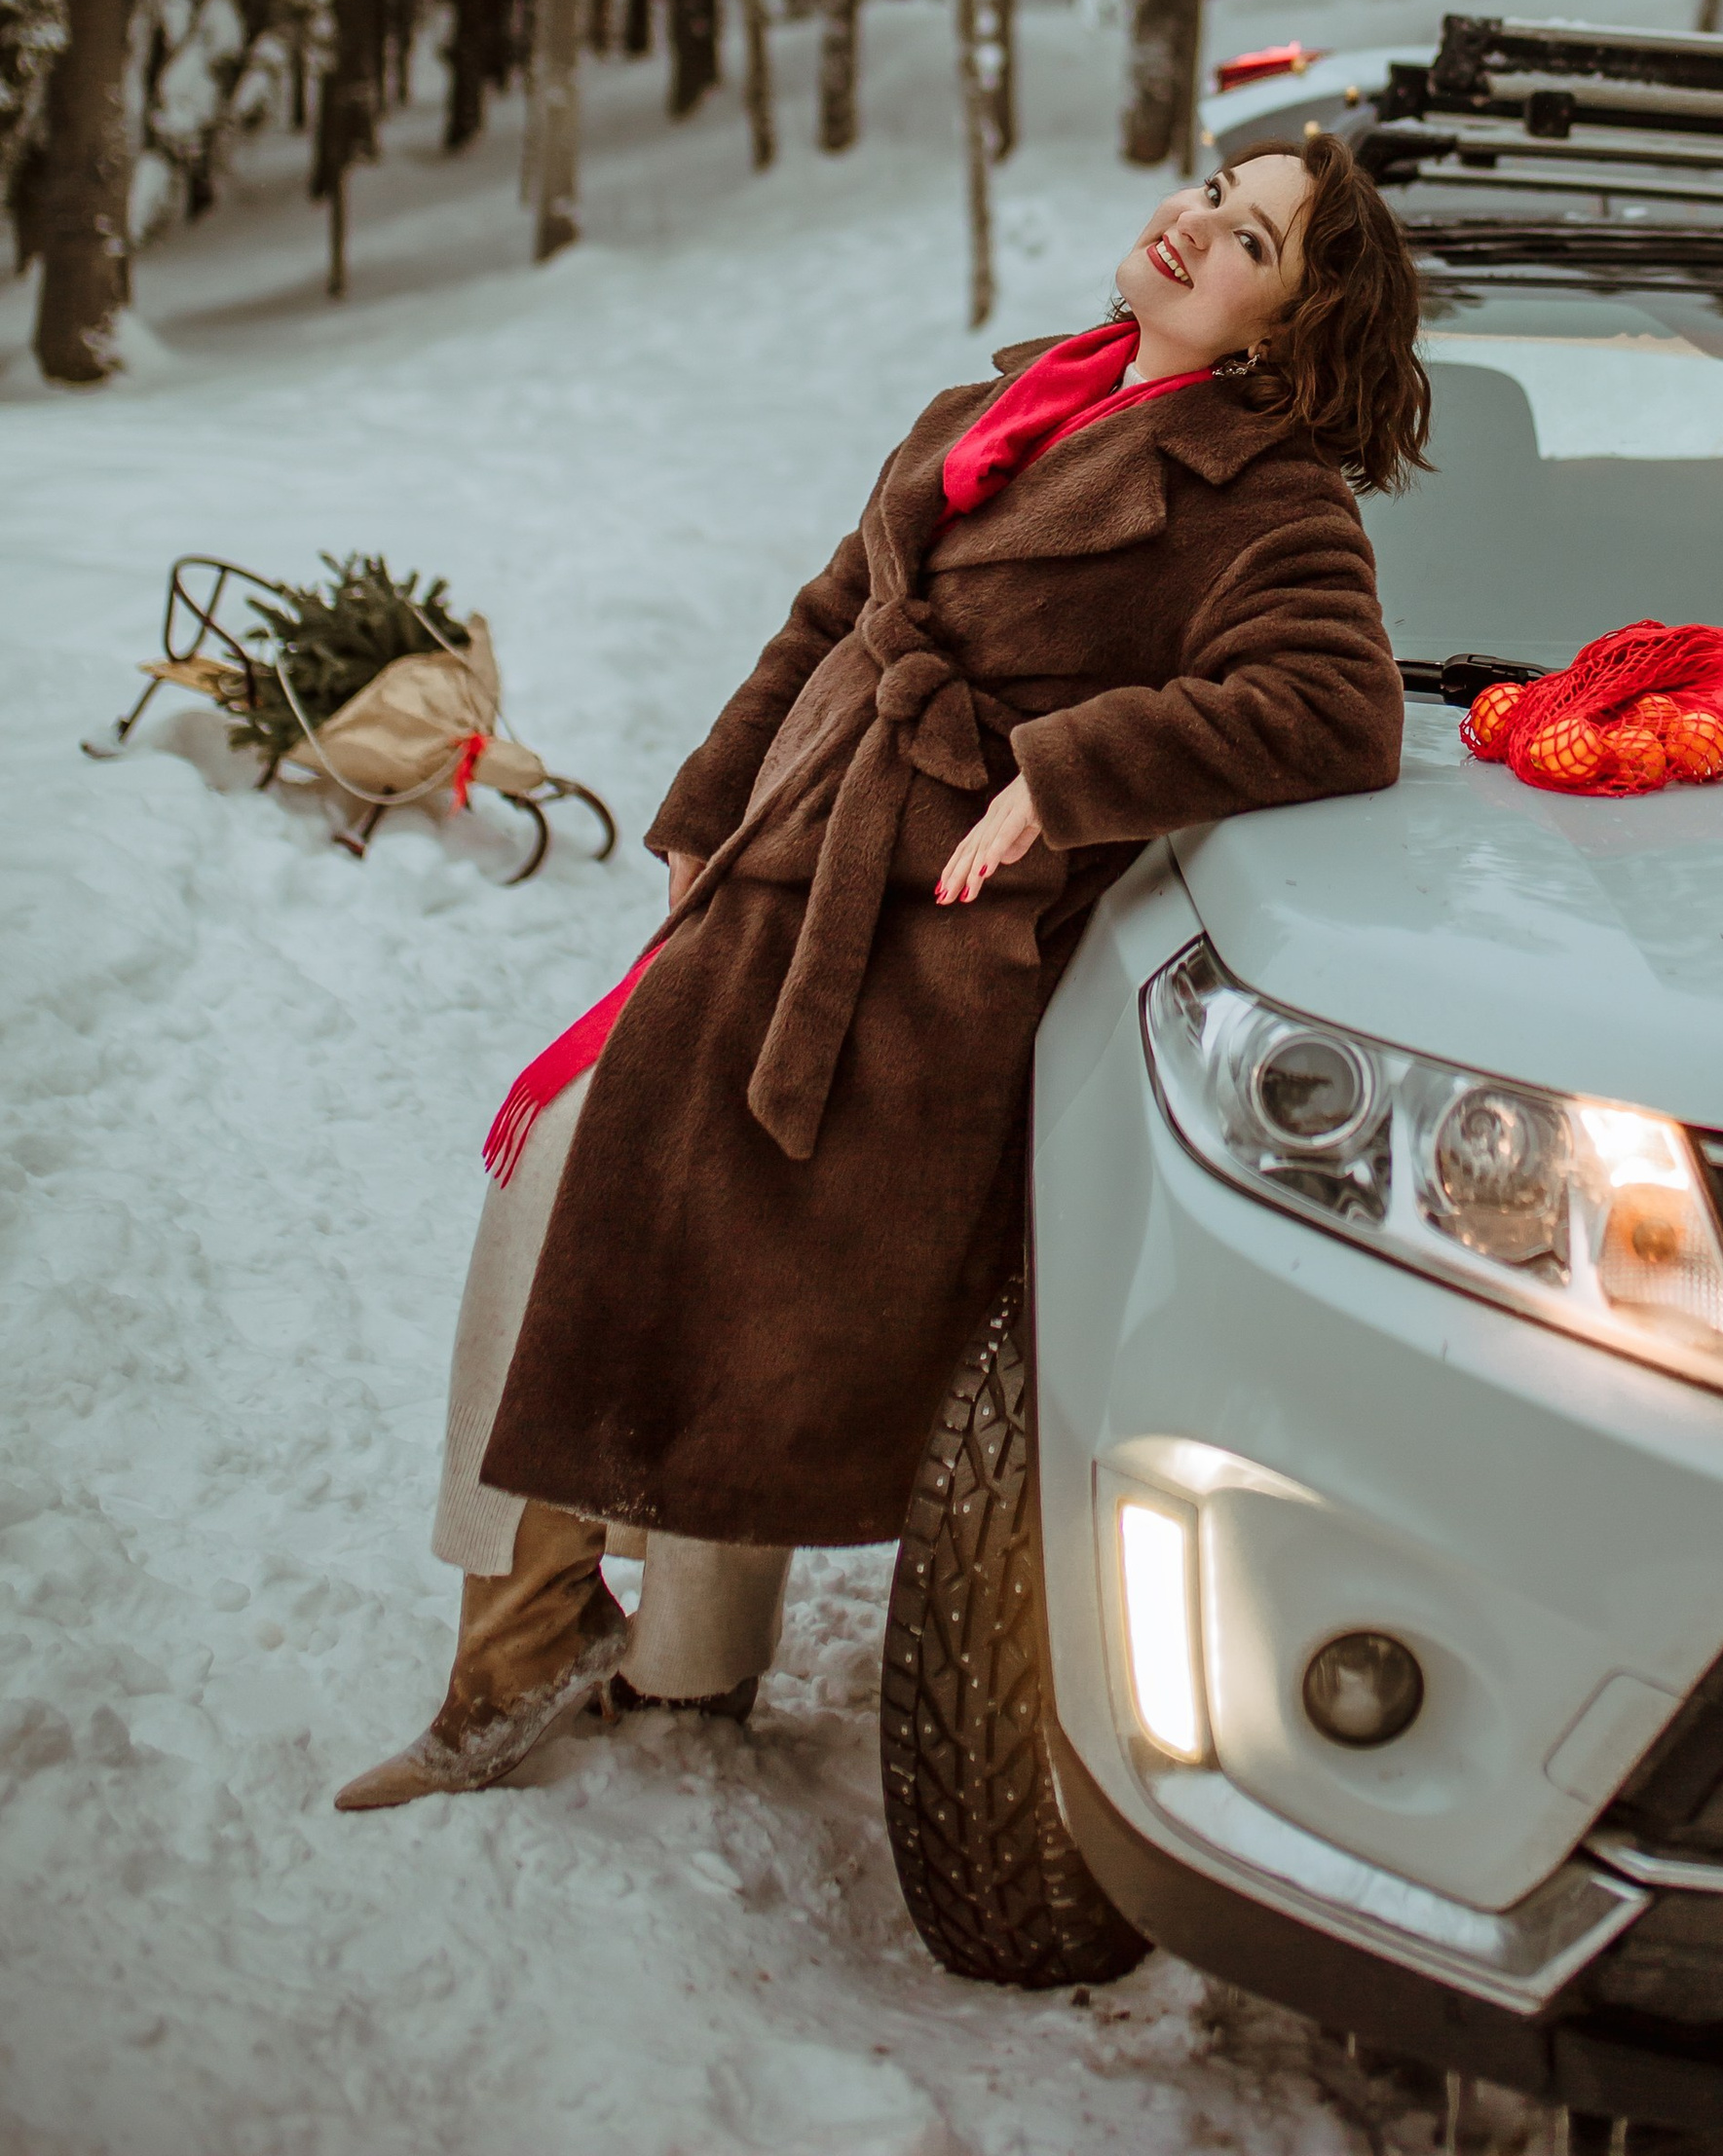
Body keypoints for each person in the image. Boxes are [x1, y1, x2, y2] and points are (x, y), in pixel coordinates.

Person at [336, 132, 1428, 1806]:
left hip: (920, 957)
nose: (1197, 226)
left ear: (1288, 331)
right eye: (1216, 192)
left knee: (668, 1229)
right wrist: (712, 798)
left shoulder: (1270, 503)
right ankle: (624, 1648)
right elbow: (832, 611)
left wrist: (1057, 775)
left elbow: (1338, 710)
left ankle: (568, 1648)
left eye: (1254, 242)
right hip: (781, 871)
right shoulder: (998, 405)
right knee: (621, 1201)